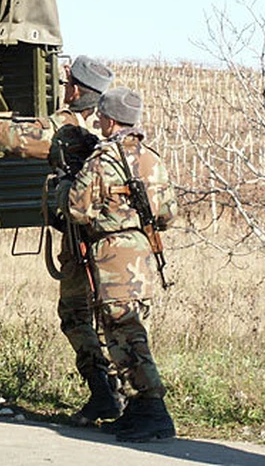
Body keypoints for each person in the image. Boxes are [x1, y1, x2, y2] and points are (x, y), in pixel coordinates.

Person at [0, 55, 123, 427]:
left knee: (75, 315)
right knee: (107, 316)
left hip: (80, 241)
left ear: (74, 90)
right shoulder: (100, 134)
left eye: (68, 83)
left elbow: (12, 139)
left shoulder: (65, 129)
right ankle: (118, 392)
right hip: (106, 242)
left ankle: (105, 393)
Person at [63, 86, 178, 442]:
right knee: (125, 330)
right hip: (142, 251)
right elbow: (168, 214)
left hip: (112, 254)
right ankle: (139, 411)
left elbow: (77, 209)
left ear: (110, 120)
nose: (98, 120)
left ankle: (154, 409)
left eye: (101, 116)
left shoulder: (103, 159)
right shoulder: (151, 159)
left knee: (125, 331)